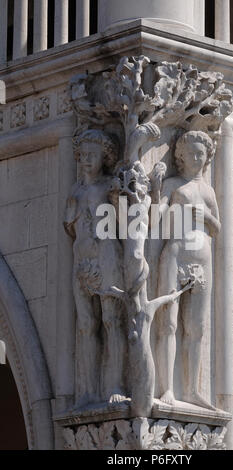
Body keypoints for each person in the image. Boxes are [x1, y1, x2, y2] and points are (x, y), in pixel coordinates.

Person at [156, 131, 221, 409]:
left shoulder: (208, 191)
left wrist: (204, 216)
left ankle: (192, 389)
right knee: (168, 323)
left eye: (201, 154)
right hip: (175, 254)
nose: (196, 158)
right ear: (180, 157)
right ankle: (168, 387)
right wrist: (157, 189)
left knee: (196, 327)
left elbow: (217, 227)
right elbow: (155, 219)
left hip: (203, 260)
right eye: (191, 153)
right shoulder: (173, 184)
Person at [64, 129, 126, 407]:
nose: (87, 160)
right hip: (82, 260)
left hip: (107, 256)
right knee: (86, 325)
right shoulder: (75, 190)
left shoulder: (110, 185)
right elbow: (69, 228)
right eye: (83, 155)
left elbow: (126, 222)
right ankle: (87, 390)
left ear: (105, 157)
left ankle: (114, 384)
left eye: (93, 155)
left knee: (111, 321)